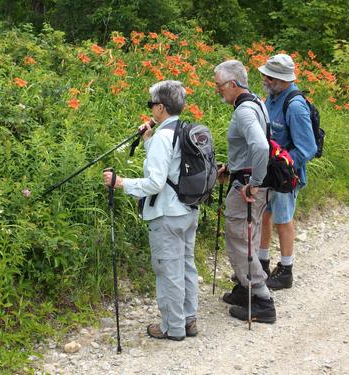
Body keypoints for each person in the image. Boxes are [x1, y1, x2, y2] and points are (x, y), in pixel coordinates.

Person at [103, 80, 199, 341]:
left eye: (151, 105)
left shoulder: (163, 138)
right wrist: (147, 140)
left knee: (168, 271)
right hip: (188, 212)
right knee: (186, 266)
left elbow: (156, 182)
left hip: (166, 215)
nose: (151, 110)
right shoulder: (185, 131)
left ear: (160, 108)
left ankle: (173, 327)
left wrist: (122, 183)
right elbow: (170, 168)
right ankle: (189, 320)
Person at [214, 60, 276, 323]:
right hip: (249, 180)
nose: (217, 90)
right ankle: (244, 288)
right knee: (250, 234)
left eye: (219, 86)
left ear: (232, 84)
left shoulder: (244, 111)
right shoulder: (257, 102)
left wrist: (254, 182)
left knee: (240, 240)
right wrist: (233, 166)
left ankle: (262, 300)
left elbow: (260, 147)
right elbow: (253, 146)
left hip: (248, 189)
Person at [257, 54, 317, 290]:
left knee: (283, 218)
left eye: (268, 77)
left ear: (280, 80)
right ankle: (261, 264)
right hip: (270, 170)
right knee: (265, 214)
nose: (264, 79)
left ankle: (285, 271)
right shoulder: (271, 99)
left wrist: (285, 164)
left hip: (285, 174)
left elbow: (308, 148)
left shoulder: (295, 105)